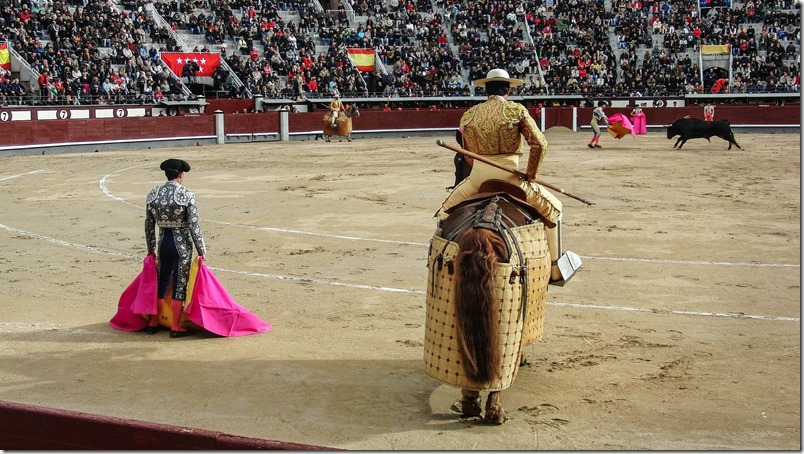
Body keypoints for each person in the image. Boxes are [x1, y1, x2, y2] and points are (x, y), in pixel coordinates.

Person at [437, 68, 565, 282]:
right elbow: (540, 145)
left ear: (486, 90)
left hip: (478, 178)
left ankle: (441, 266)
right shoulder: (516, 111)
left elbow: (468, 154)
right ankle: (555, 270)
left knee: (443, 213)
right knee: (555, 209)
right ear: (508, 90)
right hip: (510, 176)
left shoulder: (470, 114)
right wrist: (530, 175)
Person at [145, 159, 206, 338]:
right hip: (181, 246)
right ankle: (175, 327)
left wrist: (151, 249)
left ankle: (153, 322)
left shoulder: (153, 194)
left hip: (163, 243)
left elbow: (149, 226)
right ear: (181, 175)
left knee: (161, 281)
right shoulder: (187, 194)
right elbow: (194, 226)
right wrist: (202, 250)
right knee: (180, 283)